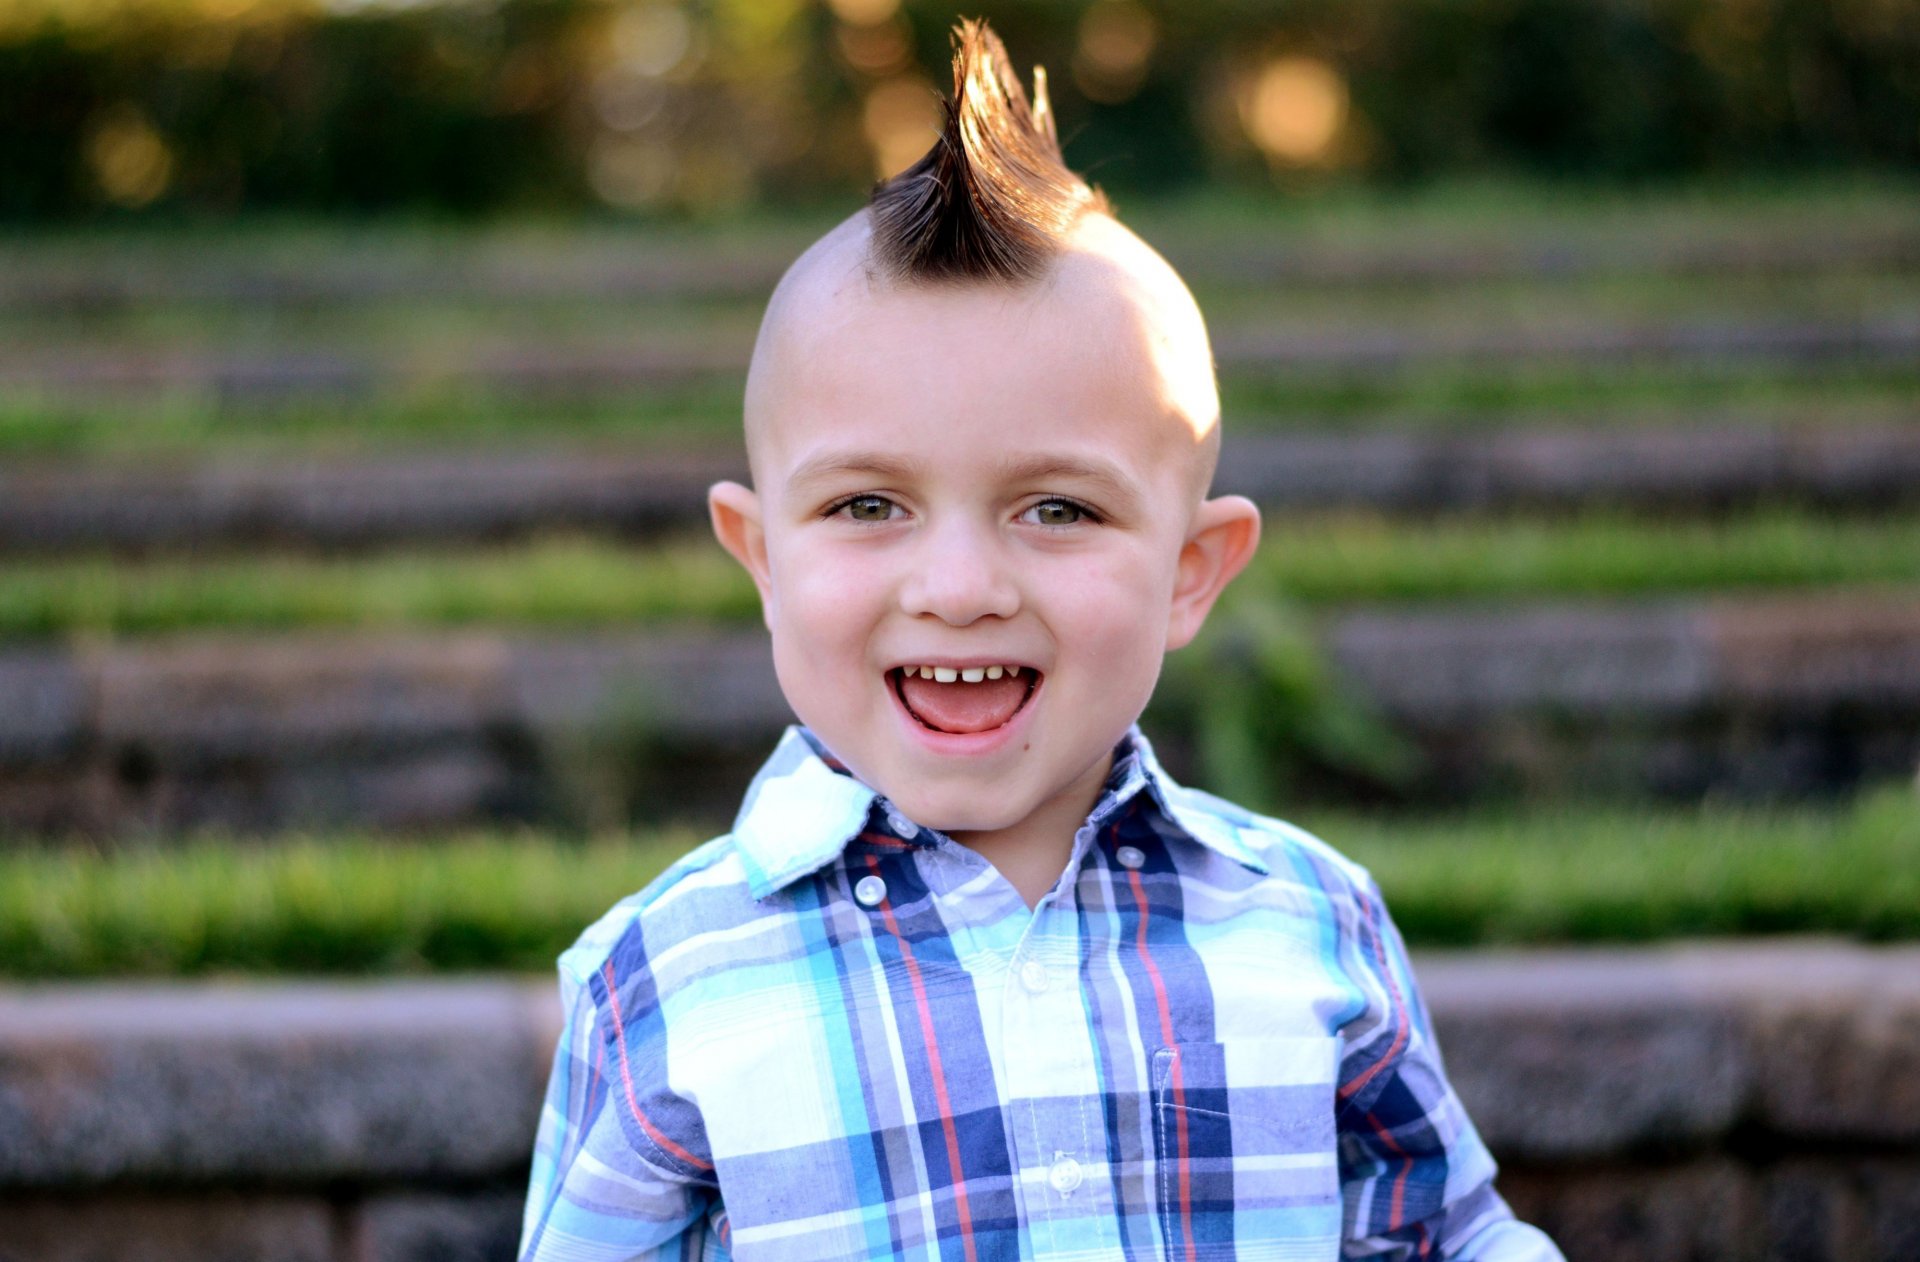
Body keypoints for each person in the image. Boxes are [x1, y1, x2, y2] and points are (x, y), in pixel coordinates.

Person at [518, 19, 1563, 1261]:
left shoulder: (1310, 924)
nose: (959, 586)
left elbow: (1446, 1235)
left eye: (1058, 508)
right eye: (868, 505)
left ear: (1191, 572)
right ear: (762, 558)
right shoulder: (660, 979)